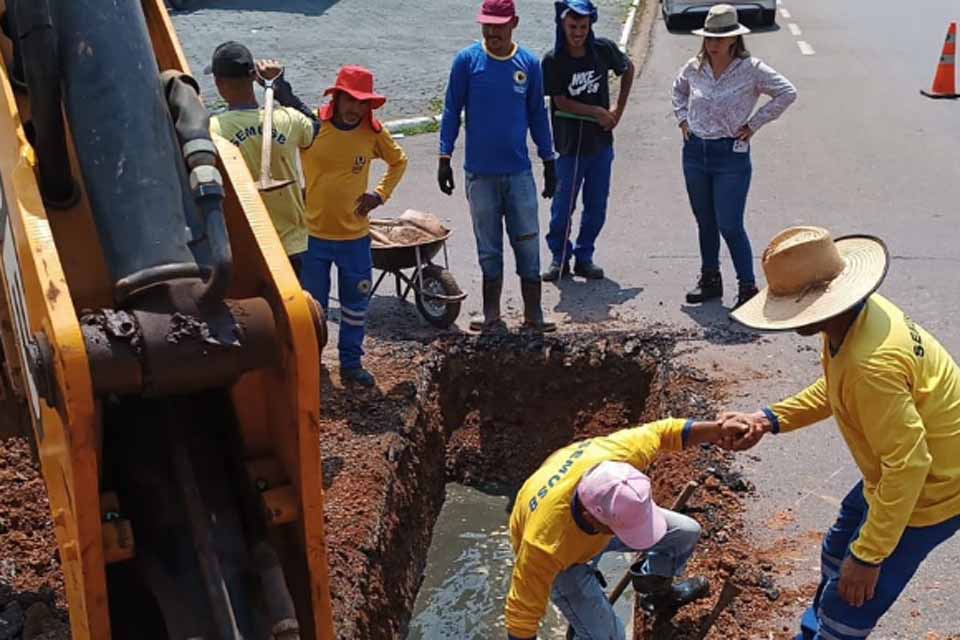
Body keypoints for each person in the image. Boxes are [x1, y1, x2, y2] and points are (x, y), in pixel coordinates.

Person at [724, 226, 960, 640]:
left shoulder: (872, 365)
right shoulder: (856, 319)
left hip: (929, 491)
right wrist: (768, 418)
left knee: (847, 602)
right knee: (837, 551)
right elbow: (837, 387)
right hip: (897, 471)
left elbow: (909, 466)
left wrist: (869, 557)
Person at [505, 418, 746, 640]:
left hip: (588, 529)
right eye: (627, 529)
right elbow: (521, 619)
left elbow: (664, 432)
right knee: (610, 637)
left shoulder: (617, 457)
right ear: (593, 517)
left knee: (685, 532)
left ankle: (659, 598)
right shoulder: (544, 547)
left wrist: (716, 429)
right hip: (566, 561)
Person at [438, 0, 557, 333]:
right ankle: (491, 315)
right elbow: (451, 111)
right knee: (488, 246)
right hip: (480, 175)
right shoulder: (466, 62)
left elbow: (537, 114)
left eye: (498, 25)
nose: (492, 32)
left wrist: (549, 161)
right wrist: (444, 157)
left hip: (518, 173)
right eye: (486, 25)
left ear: (513, 23)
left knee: (527, 242)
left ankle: (533, 314)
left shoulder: (529, 64)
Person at [671, 4, 796, 309]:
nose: (713, 44)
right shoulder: (694, 66)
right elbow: (678, 90)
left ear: (733, 40)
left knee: (729, 223)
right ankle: (710, 279)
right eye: (709, 38)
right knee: (705, 221)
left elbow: (787, 92)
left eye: (719, 38)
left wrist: (753, 124)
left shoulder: (751, 69)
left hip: (730, 155)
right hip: (695, 152)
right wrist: (682, 120)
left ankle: (747, 287)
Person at [299, 66, 407, 387]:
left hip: (355, 239)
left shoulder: (372, 131)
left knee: (355, 305)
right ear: (338, 97)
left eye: (363, 104)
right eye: (350, 101)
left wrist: (380, 194)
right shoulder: (312, 125)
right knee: (311, 309)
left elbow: (399, 161)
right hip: (313, 238)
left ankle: (351, 363)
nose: (355, 109)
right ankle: (312, 364)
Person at [541, 0, 635, 282]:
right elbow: (560, 101)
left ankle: (585, 256)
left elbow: (628, 69)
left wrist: (618, 109)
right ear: (562, 24)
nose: (578, 32)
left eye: (583, 27)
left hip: (601, 146)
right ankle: (559, 257)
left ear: (590, 25)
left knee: (596, 206)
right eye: (572, 27)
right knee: (562, 208)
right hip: (569, 146)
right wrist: (595, 111)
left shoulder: (603, 49)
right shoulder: (552, 60)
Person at [208, 42, 318, 276]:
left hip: (245, 245)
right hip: (292, 246)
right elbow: (316, 128)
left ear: (218, 83)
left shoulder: (213, 130)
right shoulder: (289, 119)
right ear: (253, 77)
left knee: (251, 311)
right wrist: (281, 88)